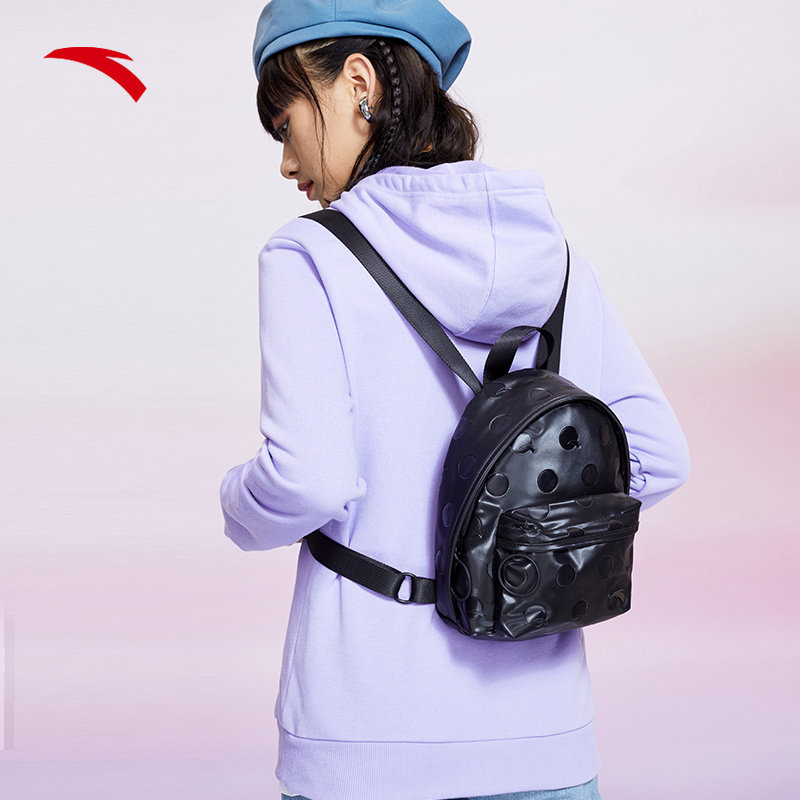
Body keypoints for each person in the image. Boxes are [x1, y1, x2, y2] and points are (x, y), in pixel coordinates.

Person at [219, 2, 691, 799]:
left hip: (366, 737)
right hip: (545, 735)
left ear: (358, 84)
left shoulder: (309, 254)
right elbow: (659, 457)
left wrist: (236, 504)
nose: (288, 161)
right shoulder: (551, 256)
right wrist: (530, 538)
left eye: (285, 123)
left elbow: (307, 481)